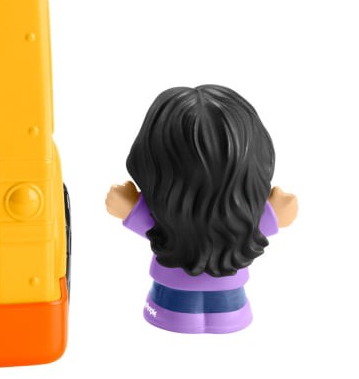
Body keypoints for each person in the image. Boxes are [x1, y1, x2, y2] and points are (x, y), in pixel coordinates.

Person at [106, 84, 297, 333]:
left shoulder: (166, 216)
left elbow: (150, 224)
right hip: (229, 303)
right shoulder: (245, 220)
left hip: (168, 303)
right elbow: (275, 217)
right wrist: (275, 214)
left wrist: (129, 208)